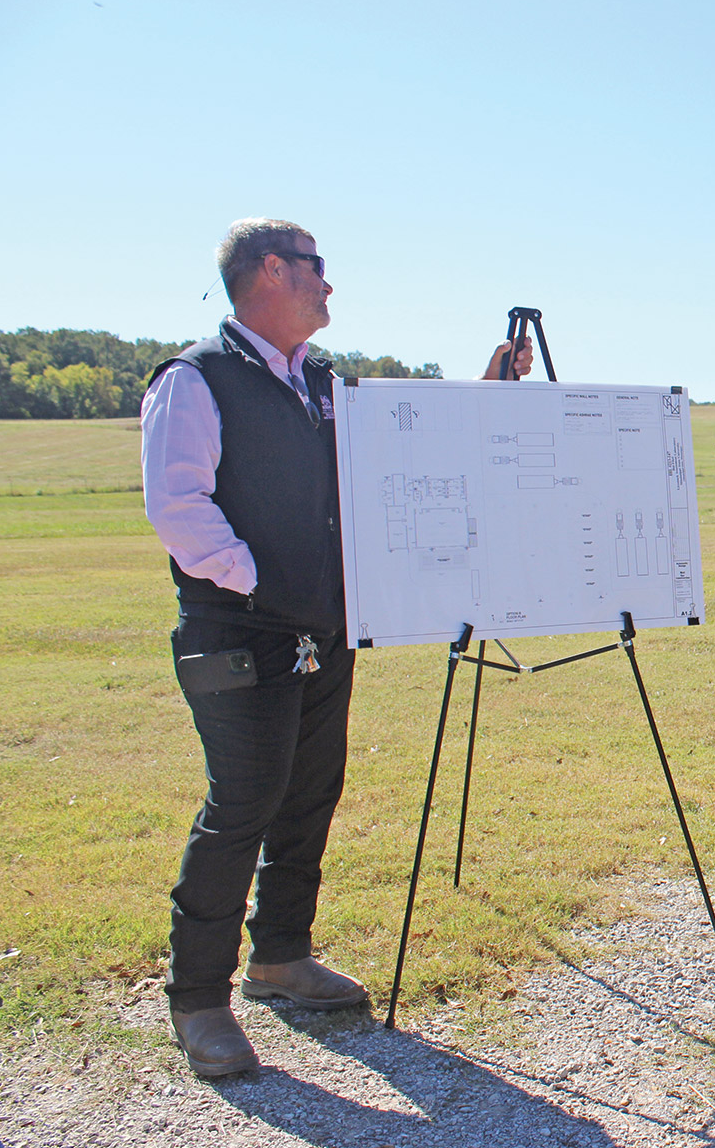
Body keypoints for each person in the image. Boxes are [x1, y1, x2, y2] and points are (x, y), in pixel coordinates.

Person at [142, 217, 531, 1076]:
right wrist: (255, 579)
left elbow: (401, 453)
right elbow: (177, 505)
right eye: (318, 268)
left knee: (310, 790)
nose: (330, 284)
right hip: (236, 630)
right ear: (272, 271)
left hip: (321, 628)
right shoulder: (196, 379)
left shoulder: (321, 381)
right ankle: (199, 999)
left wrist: (486, 386)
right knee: (242, 800)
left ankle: (280, 956)